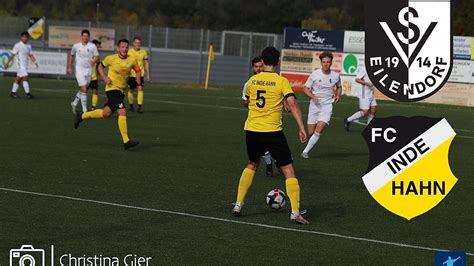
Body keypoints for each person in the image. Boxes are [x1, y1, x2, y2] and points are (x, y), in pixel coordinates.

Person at [232, 46, 309, 224]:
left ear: (263, 61)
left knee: (252, 164)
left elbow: (251, 102)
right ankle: (295, 212)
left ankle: (238, 204)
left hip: (252, 130)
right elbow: (293, 104)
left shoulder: (252, 81)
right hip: (272, 131)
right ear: (278, 61)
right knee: (288, 169)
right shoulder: (281, 81)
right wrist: (301, 127)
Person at [74, 39, 140, 150]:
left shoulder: (132, 60)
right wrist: (105, 78)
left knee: (106, 113)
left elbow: (137, 70)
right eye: (122, 47)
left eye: (126, 47)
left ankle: (81, 116)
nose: (125, 49)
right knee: (122, 111)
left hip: (121, 91)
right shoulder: (111, 58)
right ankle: (126, 141)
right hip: (112, 89)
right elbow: (100, 66)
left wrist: (137, 80)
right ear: (118, 48)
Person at [301, 52, 342, 159]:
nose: (326, 64)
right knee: (310, 132)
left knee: (320, 126)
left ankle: (305, 152)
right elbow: (305, 88)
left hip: (327, 105)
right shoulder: (315, 74)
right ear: (321, 63)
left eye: (328, 62)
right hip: (314, 105)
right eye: (324, 62)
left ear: (331, 63)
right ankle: (310, 140)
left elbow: (339, 86)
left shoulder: (336, 75)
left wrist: (338, 95)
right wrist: (312, 96)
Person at [242, 56, 274, 177]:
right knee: (262, 147)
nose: (259, 69)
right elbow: (246, 102)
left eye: (261, 66)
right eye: (256, 67)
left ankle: (274, 162)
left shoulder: (272, 81)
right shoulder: (249, 83)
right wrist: (247, 102)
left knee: (270, 146)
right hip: (255, 121)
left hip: (270, 120)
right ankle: (270, 163)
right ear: (252, 68)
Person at [68, 29, 99, 114]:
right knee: (84, 89)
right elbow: (71, 55)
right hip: (79, 69)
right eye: (84, 36)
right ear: (81, 36)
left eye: (87, 36)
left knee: (83, 89)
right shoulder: (76, 46)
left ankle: (74, 103)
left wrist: (94, 61)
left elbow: (97, 57)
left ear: (89, 37)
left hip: (89, 70)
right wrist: (70, 67)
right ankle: (85, 111)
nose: (85, 37)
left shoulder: (92, 46)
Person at [5, 31, 38, 99]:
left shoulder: (29, 46)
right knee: (26, 77)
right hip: (20, 65)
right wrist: (7, 63)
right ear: (21, 37)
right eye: (24, 37)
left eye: (27, 37)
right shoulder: (17, 45)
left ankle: (13, 93)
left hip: (25, 65)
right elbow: (12, 55)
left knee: (18, 79)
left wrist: (35, 62)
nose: (25, 38)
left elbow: (30, 55)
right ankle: (28, 94)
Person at [127, 37, 150, 113]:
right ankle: (131, 106)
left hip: (140, 74)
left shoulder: (144, 52)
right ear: (133, 43)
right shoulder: (129, 51)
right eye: (136, 43)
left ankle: (139, 107)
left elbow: (146, 63)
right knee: (130, 90)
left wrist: (148, 75)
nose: (138, 44)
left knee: (140, 89)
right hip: (131, 75)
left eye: (139, 43)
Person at [89, 39, 102, 110]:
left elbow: (98, 65)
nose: (99, 46)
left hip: (93, 77)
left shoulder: (97, 55)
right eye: (98, 45)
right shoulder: (88, 53)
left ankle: (93, 107)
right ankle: (76, 102)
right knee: (83, 92)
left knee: (95, 91)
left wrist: (99, 73)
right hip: (86, 77)